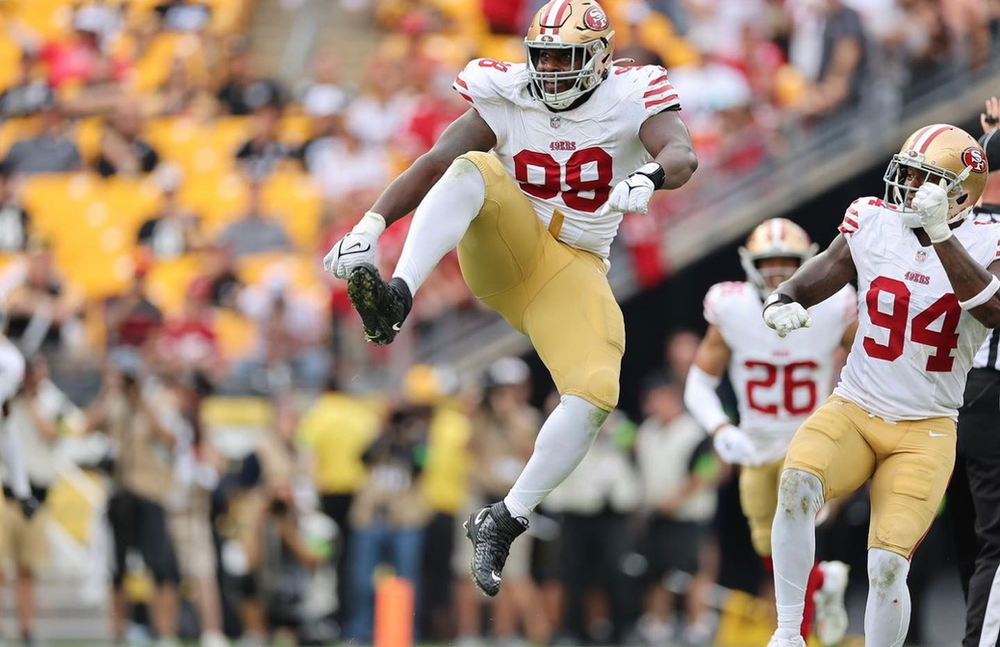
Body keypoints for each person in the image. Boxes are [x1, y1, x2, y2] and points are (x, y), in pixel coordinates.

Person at [322, 0, 698, 597]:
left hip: (571, 268)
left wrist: (649, 175)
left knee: (599, 389)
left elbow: (681, 152)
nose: (548, 68)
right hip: (505, 244)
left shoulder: (632, 94)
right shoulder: (507, 90)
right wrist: (370, 226)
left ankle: (506, 517)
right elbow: (436, 160)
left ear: (599, 60)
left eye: (563, 56)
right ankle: (397, 294)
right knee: (475, 164)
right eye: (541, 54)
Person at [759, 123, 994, 647]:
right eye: (906, 173)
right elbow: (831, 266)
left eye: (924, 179)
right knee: (796, 484)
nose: (908, 187)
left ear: (960, 192)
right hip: (856, 406)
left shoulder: (988, 238)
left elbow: (996, 311)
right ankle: (788, 632)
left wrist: (941, 237)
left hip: (925, 429)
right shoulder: (873, 220)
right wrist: (786, 297)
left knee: (887, 564)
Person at [684, 218, 856, 644]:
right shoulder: (733, 307)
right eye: (769, 262)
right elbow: (699, 382)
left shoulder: (834, 303)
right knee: (769, 548)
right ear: (749, 263)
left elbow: (870, 363)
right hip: (757, 445)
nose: (778, 272)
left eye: (787, 262)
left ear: (809, 262)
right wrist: (721, 427)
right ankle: (822, 586)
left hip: (810, 441)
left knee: (795, 528)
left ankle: (796, 635)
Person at [945, 97, 1000, 647]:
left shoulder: (949, 223)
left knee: (968, 536)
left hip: (940, 391)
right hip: (992, 389)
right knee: (996, 543)